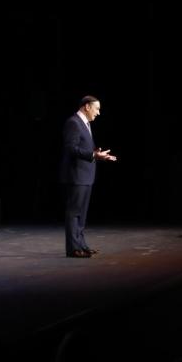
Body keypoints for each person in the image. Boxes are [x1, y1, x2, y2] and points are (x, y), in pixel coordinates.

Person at [59, 95, 117, 258]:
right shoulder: (73, 122)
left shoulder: (85, 124)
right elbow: (71, 148)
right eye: (96, 109)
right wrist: (92, 155)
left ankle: (81, 245)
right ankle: (73, 249)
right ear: (87, 107)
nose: (98, 113)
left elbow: (83, 148)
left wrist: (97, 155)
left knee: (81, 214)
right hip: (75, 175)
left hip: (85, 175)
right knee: (74, 213)